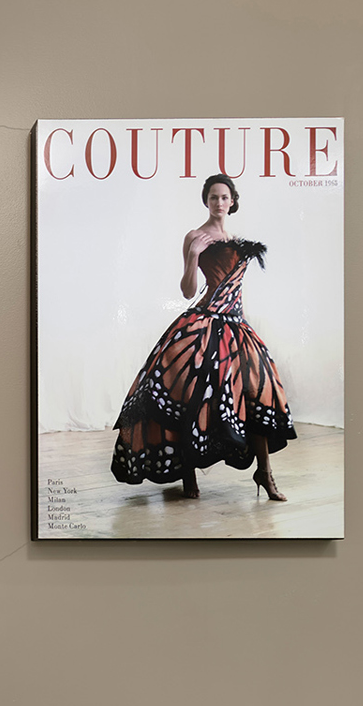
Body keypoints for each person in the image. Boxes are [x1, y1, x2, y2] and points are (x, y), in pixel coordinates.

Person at [110, 172, 296, 502]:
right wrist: (194, 255)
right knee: (190, 395)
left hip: (236, 327)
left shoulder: (240, 241)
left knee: (257, 395)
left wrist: (244, 325)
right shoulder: (195, 236)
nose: (219, 202)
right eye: (213, 197)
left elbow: (237, 290)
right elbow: (187, 291)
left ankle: (264, 474)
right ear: (206, 201)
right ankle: (188, 472)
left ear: (233, 201)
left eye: (224, 197)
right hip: (204, 323)